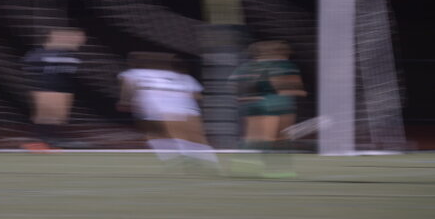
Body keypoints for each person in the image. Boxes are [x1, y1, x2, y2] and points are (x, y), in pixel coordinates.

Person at [117, 51, 220, 174]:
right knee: (195, 138)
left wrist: (124, 101)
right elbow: (197, 96)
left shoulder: (135, 73)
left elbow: (127, 83)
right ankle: (210, 162)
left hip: (159, 110)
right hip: (187, 110)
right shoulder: (183, 77)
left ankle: (176, 158)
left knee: (156, 135)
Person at [230, 40, 306, 177]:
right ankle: (278, 170)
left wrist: (246, 97)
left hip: (254, 105)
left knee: (255, 138)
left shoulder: (248, 65)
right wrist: (298, 91)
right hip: (277, 104)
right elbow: (283, 85)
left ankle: (243, 168)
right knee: (276, 138)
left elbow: (234, 83)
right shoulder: (283, 65)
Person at [22, 27, 86, 149]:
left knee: (57, 118)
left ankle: (49, 139)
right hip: (45, 87)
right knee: (47, 116)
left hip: (61, 88)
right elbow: (31, 67)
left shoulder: (69, 55)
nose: (79, 40)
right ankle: (42, 140)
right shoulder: (39, 54)